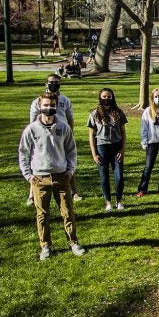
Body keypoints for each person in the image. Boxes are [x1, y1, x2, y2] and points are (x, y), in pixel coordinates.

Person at [18, 93, 86, 261]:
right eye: (46, 105)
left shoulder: (64, 127)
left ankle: (73, 242)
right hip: (39, 178)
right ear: (40, 107)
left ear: (56, 106)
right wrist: (28, 175)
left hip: (62, 176)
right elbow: (23, 154)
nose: (49, 108)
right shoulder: (31, 129)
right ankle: (46, 246)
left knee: (68, 212)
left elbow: (72, 152)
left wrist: (70, 171)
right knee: (42, 215)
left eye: (52, 105)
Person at [29, 75, 83, 203]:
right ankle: (32, 194)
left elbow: (70, 119)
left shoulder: (65, 100)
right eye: (51, 82)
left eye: (57, 82)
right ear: (46, 84)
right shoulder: (38, 101)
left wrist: (70, 133)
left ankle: (73, 191)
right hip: (42, 135)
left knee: (68, 162)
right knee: (36, 164)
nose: (54, 84)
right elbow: (32, 121)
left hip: (61, 135)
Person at [87, 87, 128, 212]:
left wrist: (122, 150)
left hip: (116, 147)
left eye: (109, 96)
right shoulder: (94, 114)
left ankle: (119, 200)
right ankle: (108, 202)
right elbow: (91, 136)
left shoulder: (118, 113)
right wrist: (94, 154)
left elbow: (123, 133)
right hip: (102, 148)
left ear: (113, 97)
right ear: (100, 98)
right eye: (104, 96)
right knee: (104, 176)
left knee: (119, 176)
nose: (106, 99)